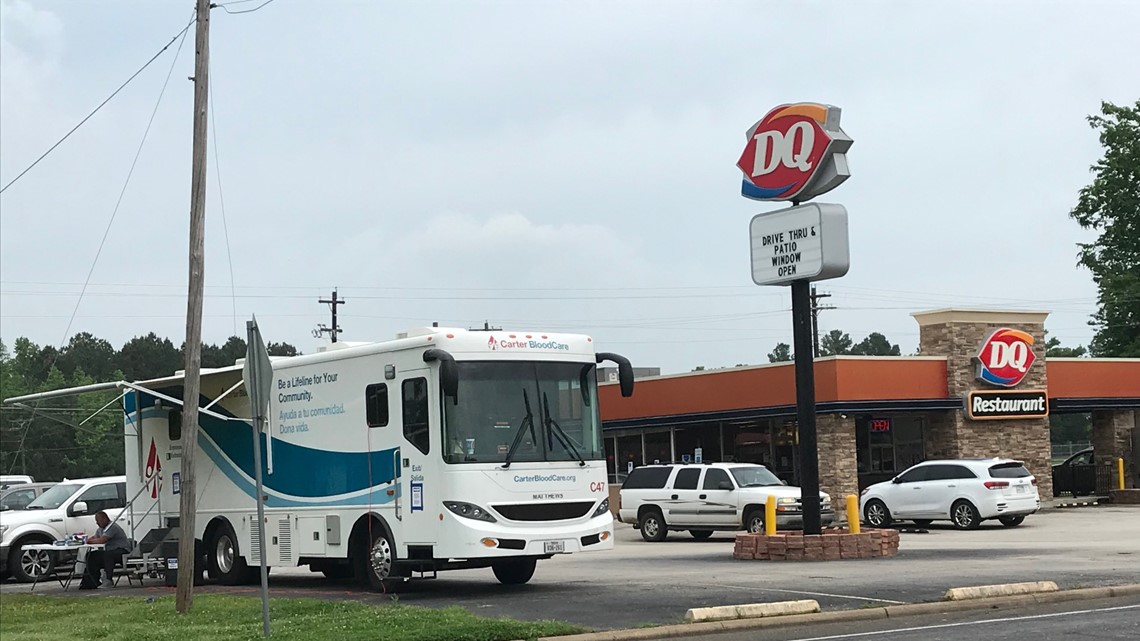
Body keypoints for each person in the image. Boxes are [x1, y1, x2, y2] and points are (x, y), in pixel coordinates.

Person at [80, 511, 131, 589]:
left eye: (98, 520)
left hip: (122, 550)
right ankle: (91, 581)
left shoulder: (112, 527)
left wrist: (89, 541)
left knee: (108, 555)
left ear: (104, 519)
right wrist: (86, 540)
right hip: (111, 550)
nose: (97, 523)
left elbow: (102, 540)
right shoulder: (100, 529)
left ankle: (108, 580)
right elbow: (94, 538)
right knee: (91, 555)